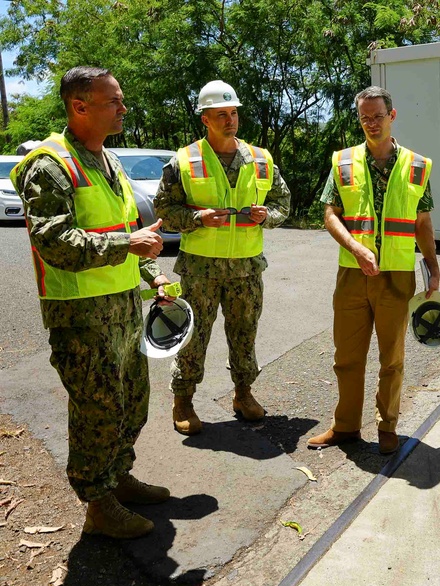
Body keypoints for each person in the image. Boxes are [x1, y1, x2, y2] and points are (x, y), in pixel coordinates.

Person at [11, 66, 174, 538]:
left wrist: (153, 274)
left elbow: (125, 229)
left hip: (122, 306)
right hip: (80, 316)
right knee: (97, 411)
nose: (123, 109)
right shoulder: (50, 165)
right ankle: (97, 502)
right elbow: (55, 242)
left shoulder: (109, 160)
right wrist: (130, 246)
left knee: (133, 403)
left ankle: (118, 478)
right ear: (79, 107)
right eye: (113, 102)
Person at [307, 86, 440, 456]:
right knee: (346, 357)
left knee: (392, 359)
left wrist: (431, 264)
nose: (371, 123)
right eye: (364, 117)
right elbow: (330, 214)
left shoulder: (417, 165)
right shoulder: (343, 162)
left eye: (377, 116)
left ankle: (387, 427)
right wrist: (355, 247)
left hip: (397, 276)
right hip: (352, 273)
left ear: (392, 116)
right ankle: (346, 427)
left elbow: (423, 220)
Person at [154, 80, 290, 435]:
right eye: (221, 115)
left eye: (233, 113)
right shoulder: (184, 160)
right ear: (205, 120)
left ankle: (243, 393)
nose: (230, 121)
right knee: (193, 335)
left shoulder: (260, 158)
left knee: (245, 333)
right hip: (199, 268)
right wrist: (197, 218)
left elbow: (282, 204)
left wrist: (267, 217)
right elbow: (164, 211)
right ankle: (183, 399)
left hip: (246, 267)